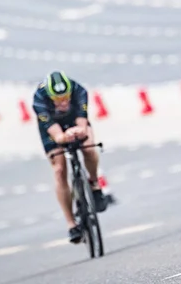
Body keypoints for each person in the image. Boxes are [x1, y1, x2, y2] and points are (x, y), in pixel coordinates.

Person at [32, 70, 108, 244]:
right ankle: (71, 224)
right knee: (59, 169)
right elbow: (56, 135)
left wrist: (80, 131)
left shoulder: (79, 90)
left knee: (88, 148)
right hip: (53, 128)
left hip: (74, 121)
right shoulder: (39, 99)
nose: (64, 102)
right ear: (50, 97)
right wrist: (63, 137)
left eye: (66, 98)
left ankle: (94, 184)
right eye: (58, 100)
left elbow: (82, 122)